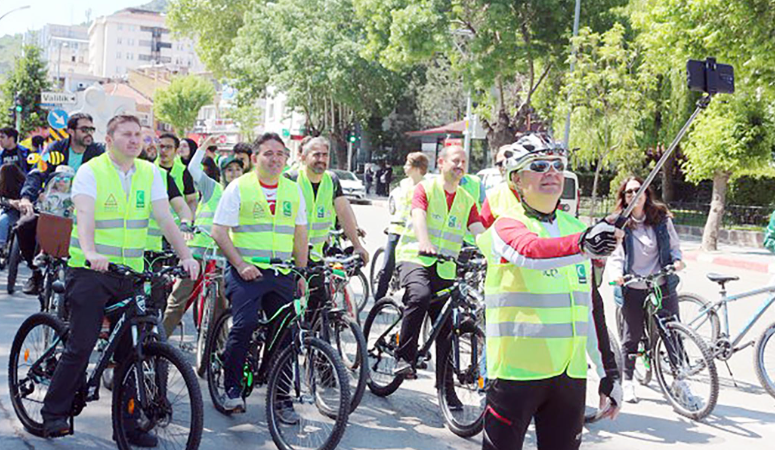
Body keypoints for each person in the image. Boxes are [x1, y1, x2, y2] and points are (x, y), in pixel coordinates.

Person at [40, 114, 199, 445]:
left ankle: (126, 427)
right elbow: (84, 214)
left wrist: (186, 255)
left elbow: (165, 218)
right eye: (126, 134)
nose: (134, 140)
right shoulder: (91, 171)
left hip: (130, 273)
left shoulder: (150, 173)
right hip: (90, 270)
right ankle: (53, 413)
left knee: (132, 352)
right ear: (109, 139)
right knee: (82, 344)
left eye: (138, 135)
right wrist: (90, 251)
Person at [475, 133, 622, 450]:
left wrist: (609, 374)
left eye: (558, 165)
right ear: (517, 179)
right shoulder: (506, 225)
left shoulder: (573, 226)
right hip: (515, 375)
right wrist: (583, 245)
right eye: (539, 165)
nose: (551, 172)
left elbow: (591, 308)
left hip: (568, 378)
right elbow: (531, 251)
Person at [210, 132, 308, 418]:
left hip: (282, 272)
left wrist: (300, 273)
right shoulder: (239, 187)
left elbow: (300, 234)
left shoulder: (293, 190)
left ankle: (281, 399)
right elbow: (219, 231)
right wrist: (240, 264)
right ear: (255, 158)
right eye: (268, 153)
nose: (275, 158)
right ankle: (231, 389)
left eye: (281, 153)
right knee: (244, 325)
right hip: (247, 272)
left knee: (287, 334)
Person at [393, 145, 485, 394]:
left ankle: (446, 389)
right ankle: (404, 356)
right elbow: (418, 215)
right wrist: (424, 241)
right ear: (441, 163)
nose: (461, 165)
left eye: (464, 161)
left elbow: (479, 231)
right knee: (420, 296)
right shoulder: (426, 188)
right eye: (456, 160)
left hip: (445, 268)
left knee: (446, 328)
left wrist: (494, 254)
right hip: (415, 256)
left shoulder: (467, 200)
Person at [608, 176, 685, 404]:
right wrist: (617, 277)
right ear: (623, 197)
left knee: (672, 332)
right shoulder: (619, 223)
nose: (634, 194)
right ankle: (628, 381)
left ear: (646, 193)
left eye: (637, 190)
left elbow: (674, 246)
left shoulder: (661, 217)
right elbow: (615, 255)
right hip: (633, 286)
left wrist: (678, 260)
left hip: (660, 283)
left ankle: (680, 379)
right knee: (631, 336)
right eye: (629, 192)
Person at [161, 136, 244, 338]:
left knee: (220, 305)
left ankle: (216, 348)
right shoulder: (213, 188)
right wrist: (203, 147)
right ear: (222, 173)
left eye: (238, 170)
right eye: (229, 170)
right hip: (198, 252)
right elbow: (193, 170)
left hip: (222, 257)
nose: (234, 174)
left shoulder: (246, 193)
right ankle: (159, 340)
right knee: (178, 299)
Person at [16, 113, 105, 294]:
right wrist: (26, 198)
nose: (89, 133)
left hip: (85, 211)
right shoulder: (55, 149)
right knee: (24, 226)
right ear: (70, 131)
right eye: (84, 129)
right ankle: (35, 273)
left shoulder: (99, 153)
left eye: (91, 129)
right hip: (53, 207)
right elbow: (36, 174)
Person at [283, 137, 369, 314]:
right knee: (289, 314)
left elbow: (344, 211)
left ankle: (315, 340)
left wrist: (357, 245)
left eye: (325, 155)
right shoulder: (290, 179)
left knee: (319, 309)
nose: (321, 159)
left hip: (316, 257)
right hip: (289, 258)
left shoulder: (332, 180)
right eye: (316, 155)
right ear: (303, 157)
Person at [375, 152, 428, 300]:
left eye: (407, 164)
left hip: (412, 234)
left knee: (411, 271)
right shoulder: (403, 185)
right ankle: (378, 300)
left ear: (416, 167)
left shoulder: (426, 187)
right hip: (396, 230)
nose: (404, 167)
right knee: (386, 268)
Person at [480, 144, 519, 229]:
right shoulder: (493, 196)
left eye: (508, 161)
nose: (505, 166)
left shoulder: (539, 188)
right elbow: (483, 230)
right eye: (500, 164)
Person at [158, 133, 198, 215]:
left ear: (176, 151)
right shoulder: (150, 168)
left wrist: (189, 220)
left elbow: (191, 199)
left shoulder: (183, 171)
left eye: (168, 147)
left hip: (177, 223)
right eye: (161, 146)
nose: (164, 151)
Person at [0, 163, 26, 247]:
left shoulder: (23, 186)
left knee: (3, 221)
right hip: (6, 209)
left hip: (19, 213)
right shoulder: (2, 186)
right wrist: (10, 202)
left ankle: (1, 245)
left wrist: (20, 203)